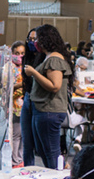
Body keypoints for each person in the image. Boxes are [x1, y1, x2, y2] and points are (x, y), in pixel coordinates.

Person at [25, 24, 73, 168]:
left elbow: (55, 86)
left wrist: (34, 73)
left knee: (51, 153)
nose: (35, 42)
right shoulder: (48, 58)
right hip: (42, 109)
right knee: (43, 150)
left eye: (38, 38)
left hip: (49, 111)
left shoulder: (54, 60)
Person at [20, 28, 44, 166]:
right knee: (26, 140)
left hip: (40, 100)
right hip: (28, 97)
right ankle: (27, 168)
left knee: (41, 143)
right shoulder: (26, 57)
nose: (32, 42)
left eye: (35, 39)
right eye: (30, 39)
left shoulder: (44, 58)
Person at [4, 41, 26, 167]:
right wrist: (20, 85)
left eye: (22, 53)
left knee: (24, 135)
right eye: (17, 53)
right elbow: (6, 88)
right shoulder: (9, 67)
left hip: (26, 104)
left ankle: (21, 158)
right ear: (12, 53)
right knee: (16, 134)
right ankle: (15, 160)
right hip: (14, 106)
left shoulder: (26, 66)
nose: (20, 56)